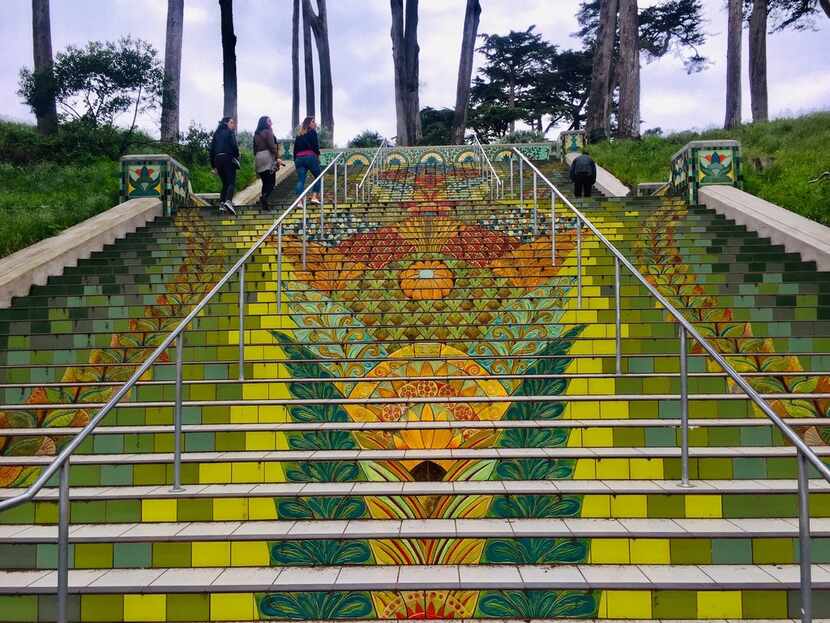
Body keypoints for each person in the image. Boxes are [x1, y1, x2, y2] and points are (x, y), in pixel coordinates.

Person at [253, 116, 284, 211]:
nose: (271, 123)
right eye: (269, 121)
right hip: (267, 156)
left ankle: (264, 203)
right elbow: (272, 146)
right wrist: (277, 157)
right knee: (271, 182)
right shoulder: (268, 132)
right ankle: (264, 197)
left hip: (258, 157)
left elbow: (254, 149)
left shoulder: (256, 134)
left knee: (265, 182)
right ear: (265, 123)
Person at [210, 116, 240, 215]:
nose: (233, 125)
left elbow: (212, 150)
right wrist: (236, 156)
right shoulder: (229, 132)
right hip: (228, 158)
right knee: (231, 182)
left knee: (225, 183)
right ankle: (228, 201)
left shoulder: (216, 134)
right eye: (231, 122)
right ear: (226, 123)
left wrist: (213, 166)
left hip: (217, 159)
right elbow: (234, 146)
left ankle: (222, 204)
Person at [293, 116, 322, 204]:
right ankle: (314, 197)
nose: (315, 123)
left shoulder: (299, 135)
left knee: (301, 180)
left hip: (299, 159)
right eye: (313, 122)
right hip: (310, 157)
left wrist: (295, 160)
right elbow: (315, 146)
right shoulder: (312, 132)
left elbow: (295, 150)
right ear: (308, 123)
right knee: (318, 177)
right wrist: (317, 156)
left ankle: (299, 202)